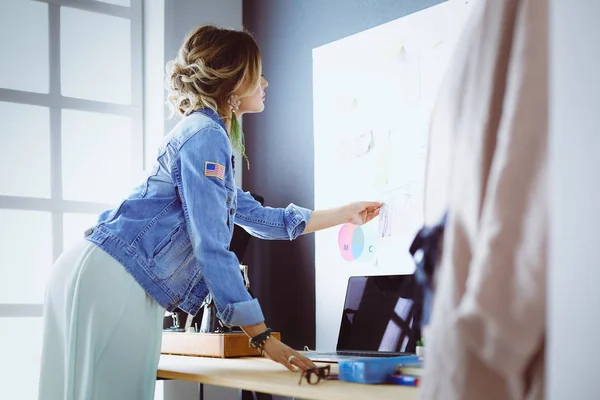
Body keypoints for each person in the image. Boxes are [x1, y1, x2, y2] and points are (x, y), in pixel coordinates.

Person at [38, 25, 382, 400]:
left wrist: (346, 214)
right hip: (114, 279)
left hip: (100, 272)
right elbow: (211, 246)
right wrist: (262, 336)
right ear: (234, 83)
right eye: (257, 73)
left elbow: (264, 220)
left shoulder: (203, 135)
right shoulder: (206, 136)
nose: (265, 82)